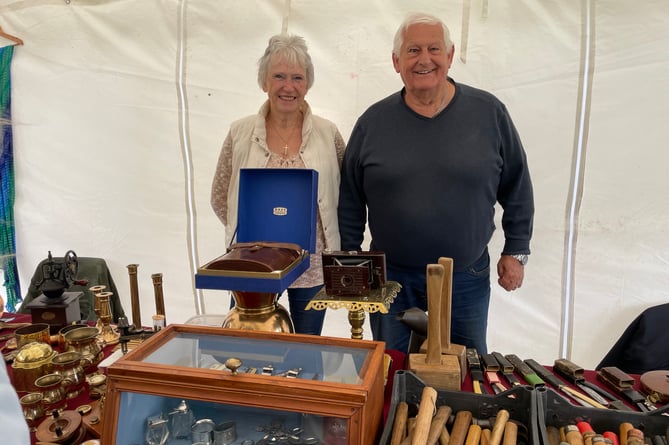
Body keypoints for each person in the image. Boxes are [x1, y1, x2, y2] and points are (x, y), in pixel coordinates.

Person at [338, 12, 534, 354]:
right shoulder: (372, 123)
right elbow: (351, 198)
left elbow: (516, 183)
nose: (424, 59)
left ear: (450, 55)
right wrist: (351, 261)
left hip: (465, 276)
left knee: (466, 371)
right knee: (390, 368)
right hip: (390, 277)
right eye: (413, 51)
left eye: (433, 49)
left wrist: (516, 250)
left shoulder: (489, 113)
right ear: (396, 61)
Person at [211, 34, 346, 336]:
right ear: (264, 82)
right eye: (279, 76)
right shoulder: (240, 132)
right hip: (253, 265)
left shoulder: (329, 134)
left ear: (307, 84)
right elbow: (221, 196)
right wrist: (252, 237)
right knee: (250, 348)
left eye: (297, 77)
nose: (289, 86)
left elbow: (344, 197)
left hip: (311, 270)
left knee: (307, 348)